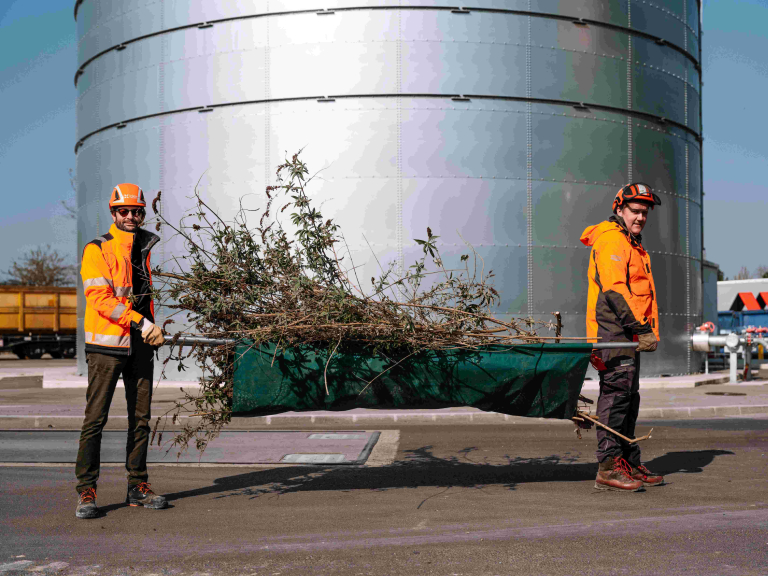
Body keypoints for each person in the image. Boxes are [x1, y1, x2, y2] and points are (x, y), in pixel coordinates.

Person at [75, 183, 167, 519]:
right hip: (106, 348)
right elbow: (100, 300)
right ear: (114, 213)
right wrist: (142, 323)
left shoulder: (145, 246)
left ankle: (137, 487)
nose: (131, 216)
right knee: (95, 420)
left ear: (143, 213)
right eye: (124, 211)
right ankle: (86, 491)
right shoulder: (97, 249)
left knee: (140, 420)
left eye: (137, 211)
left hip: (141, 348)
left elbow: (141, 294)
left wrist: (153, 327)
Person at [580, 183, 666, 492]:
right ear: (619, 209)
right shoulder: (613, 240)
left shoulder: (631, 243)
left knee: (629, 398)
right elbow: (615, 290)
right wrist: (642, 329)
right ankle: (608, 466)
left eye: (645, 212)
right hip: (613, 333)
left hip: (627, 333)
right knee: (616, 398)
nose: (641, 217)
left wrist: (641, 329)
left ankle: (628, 461)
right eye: (635, 211)